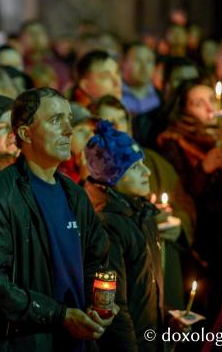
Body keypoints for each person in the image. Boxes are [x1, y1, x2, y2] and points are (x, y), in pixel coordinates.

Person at [0, 87, 112, 351]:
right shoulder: (0, 197)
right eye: (56, 120)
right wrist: (59, 315)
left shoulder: (75, 195)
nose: (69, 130)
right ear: (25, 133)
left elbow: (96, 258)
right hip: (28, 342)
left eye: (69, 120)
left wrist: (99, 302)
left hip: (79, 339)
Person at [157, 80, 222, 318]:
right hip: (200, 241)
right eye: (197, 103)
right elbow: (180, 194)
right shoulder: (173, 141)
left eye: (211, 101)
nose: (208, 108)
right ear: (183, 110)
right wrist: (204, 168)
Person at [84, 120, 164, 351]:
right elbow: (113, 305)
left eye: (143, 164)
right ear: (112, 176)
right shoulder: (108, 226)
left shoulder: (140, 214)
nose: (147, 172)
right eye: (135, 168)